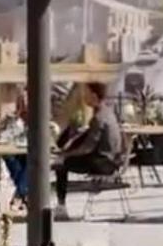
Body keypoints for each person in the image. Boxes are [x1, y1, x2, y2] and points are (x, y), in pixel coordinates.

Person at [53, 81, 125, 215]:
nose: (83, 97)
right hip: (111, 160)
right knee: (65, 158)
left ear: (93, 96)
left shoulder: (98, 118)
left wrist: (66, 155)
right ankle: (60, 205)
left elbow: (87, 148)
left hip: (103, 163)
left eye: (86, 93)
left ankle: (61, 206)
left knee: (61, 165)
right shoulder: (107, 112)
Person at [0, 92, 29, 211]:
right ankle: (23, 194)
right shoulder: (11, 118)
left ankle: (19, 195)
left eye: (26, 101)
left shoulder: (37, 118)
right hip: (12, 149)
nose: (24, 104)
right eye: (21, 101)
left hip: (28, 151)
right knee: (12, 158)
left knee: (32, 162)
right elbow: (1, 135)